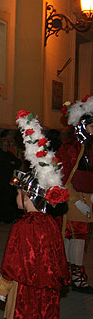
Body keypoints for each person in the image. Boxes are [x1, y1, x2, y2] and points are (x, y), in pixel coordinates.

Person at [0, 170, 69, 319]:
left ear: (28, 197)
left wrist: (3, 287)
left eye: (18, 193)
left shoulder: (23, 225)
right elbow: (60, 256)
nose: (16, 198)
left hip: (26, 287)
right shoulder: (52, 224)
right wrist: (62, 279)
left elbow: (12, 259)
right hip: (48, 287)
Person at [56, 99, 93, 294]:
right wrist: (75, 199)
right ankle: (72, 276)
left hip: (87, 197)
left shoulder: (89, 147)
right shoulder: (71, 146)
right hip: (73, 197)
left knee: (79, 235)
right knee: (74, 234)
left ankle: (72, 274)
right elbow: (64, 175)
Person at [0, 137, 22, 223]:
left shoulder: (10, 154)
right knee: (3, 199)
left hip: (9, 180)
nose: (5, 147)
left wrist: (12, 163)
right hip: (2, 180)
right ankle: (4, 218)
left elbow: (18, 163)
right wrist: (11, 164)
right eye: (4, 145)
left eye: (7, 145)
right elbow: (5, 166)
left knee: (10, 199)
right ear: (1, 146)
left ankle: (10, 217)